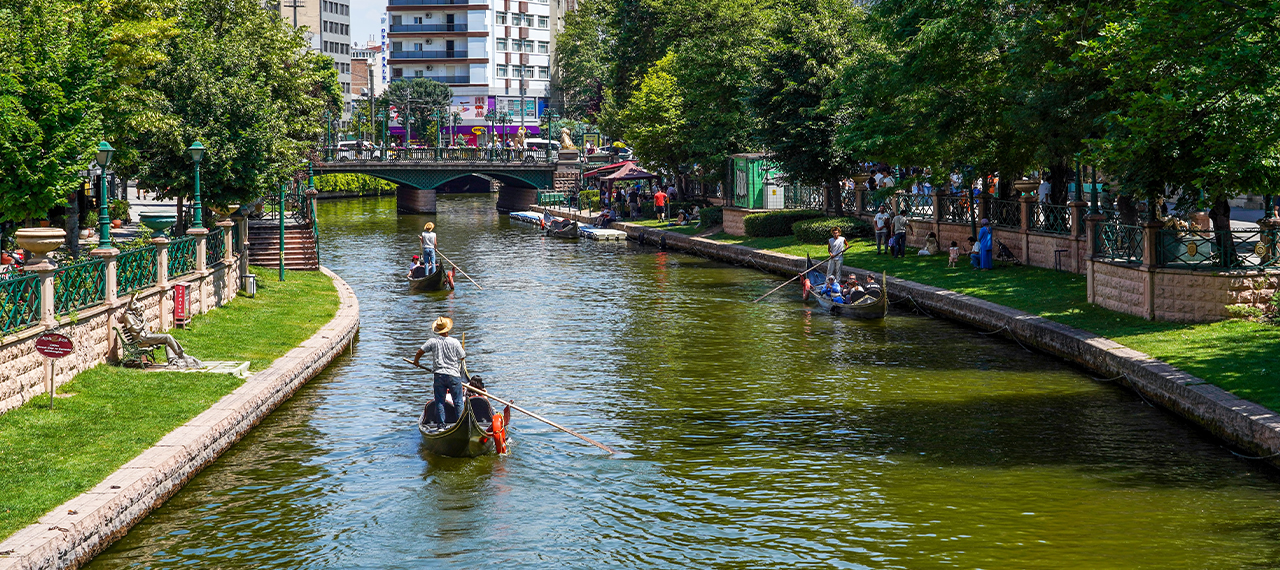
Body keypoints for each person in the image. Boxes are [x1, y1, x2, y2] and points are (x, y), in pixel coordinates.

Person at [413, 316, 467, 427]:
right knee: (458, 402)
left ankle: (441, 426)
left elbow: (419, 351)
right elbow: (462, 357)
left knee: (440, 402)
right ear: (448, 329)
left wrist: (416, 361)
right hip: (453, 376)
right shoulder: (455, 342)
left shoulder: (432, 342)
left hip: (439, 376)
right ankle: (461, 425)